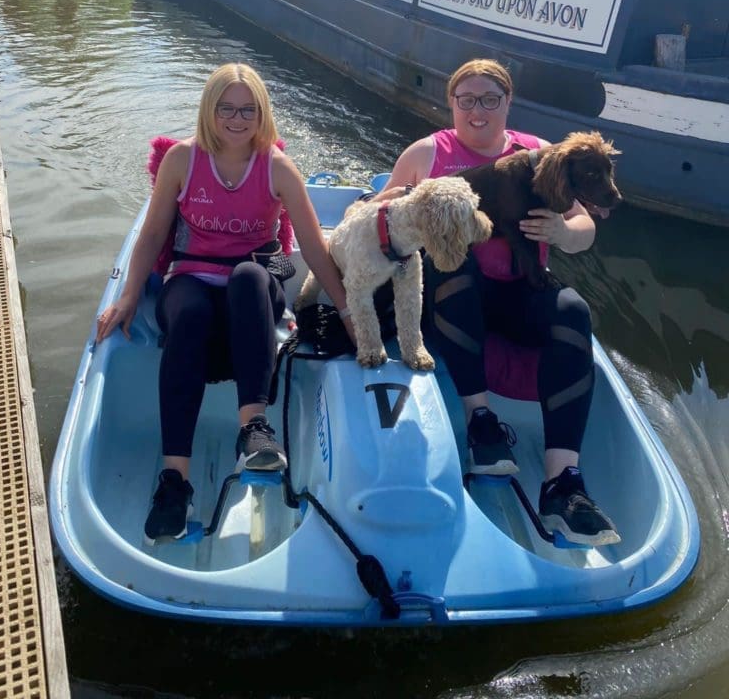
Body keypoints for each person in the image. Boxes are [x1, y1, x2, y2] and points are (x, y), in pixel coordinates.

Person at [95, 63, 354, 544]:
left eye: (248, 110)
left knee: (249, 277)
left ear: (262, 114)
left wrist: (346, 310)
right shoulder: (181, 160)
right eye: (226, 109)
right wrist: (130, 294)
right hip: (191, 276)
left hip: (253, 287)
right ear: (209, 111)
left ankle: (253, 429)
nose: (237, 119)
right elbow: (153, 233)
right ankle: (174, 480)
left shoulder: (276, 167)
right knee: (189, 313)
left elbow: (315, 249)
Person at [379, 58, 619, 547]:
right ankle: (481, 423)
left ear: (508, 102)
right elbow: (378, 218)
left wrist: (563, 232)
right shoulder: (427, 153)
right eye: (466, 99)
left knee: (573, 311)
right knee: (454, 264)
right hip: (450, 297)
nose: (478, 110)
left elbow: (585, 228)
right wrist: (409, 214)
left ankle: (562, 483)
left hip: (517, 291)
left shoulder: (541, 154)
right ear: (451, 104)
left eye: (490, 98)